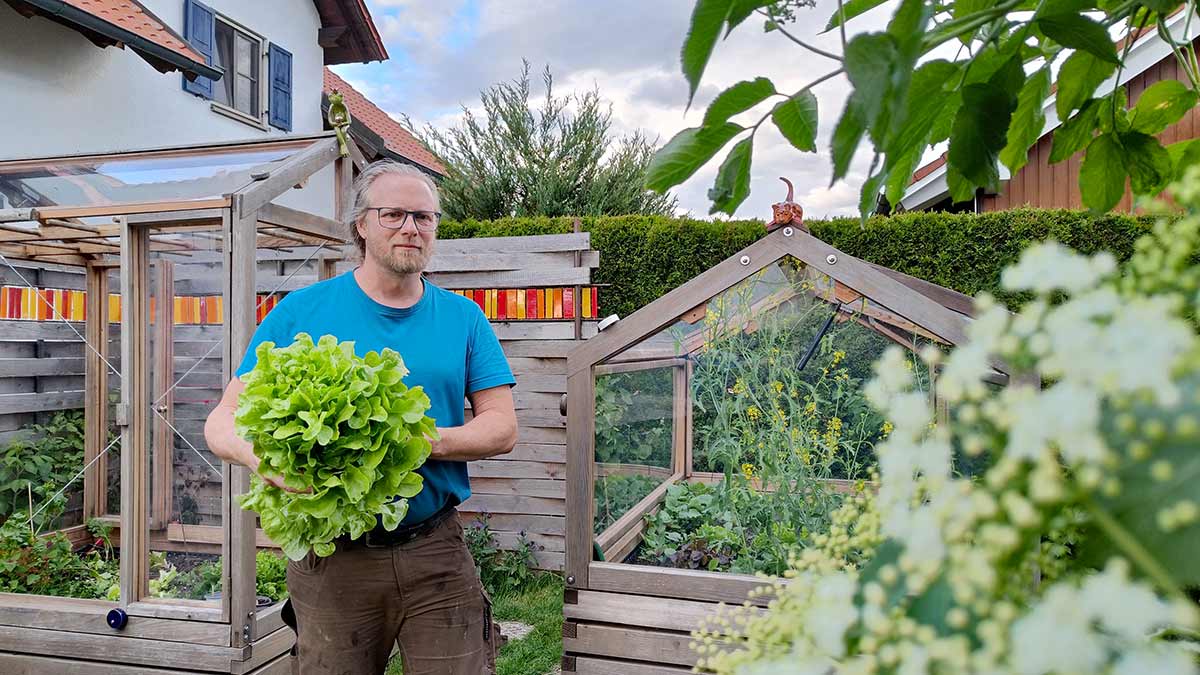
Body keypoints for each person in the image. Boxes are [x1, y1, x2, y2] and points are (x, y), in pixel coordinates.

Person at [204, 160, 518, 675]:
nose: (411, 228)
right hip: (333, 558)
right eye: (393, 214)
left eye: (424, 217)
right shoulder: (299, 313)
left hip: (434, 548)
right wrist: (261, 458)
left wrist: (408, 442)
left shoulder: (464, 317)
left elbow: (501, 428)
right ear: (361, 224)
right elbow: (222, 422)